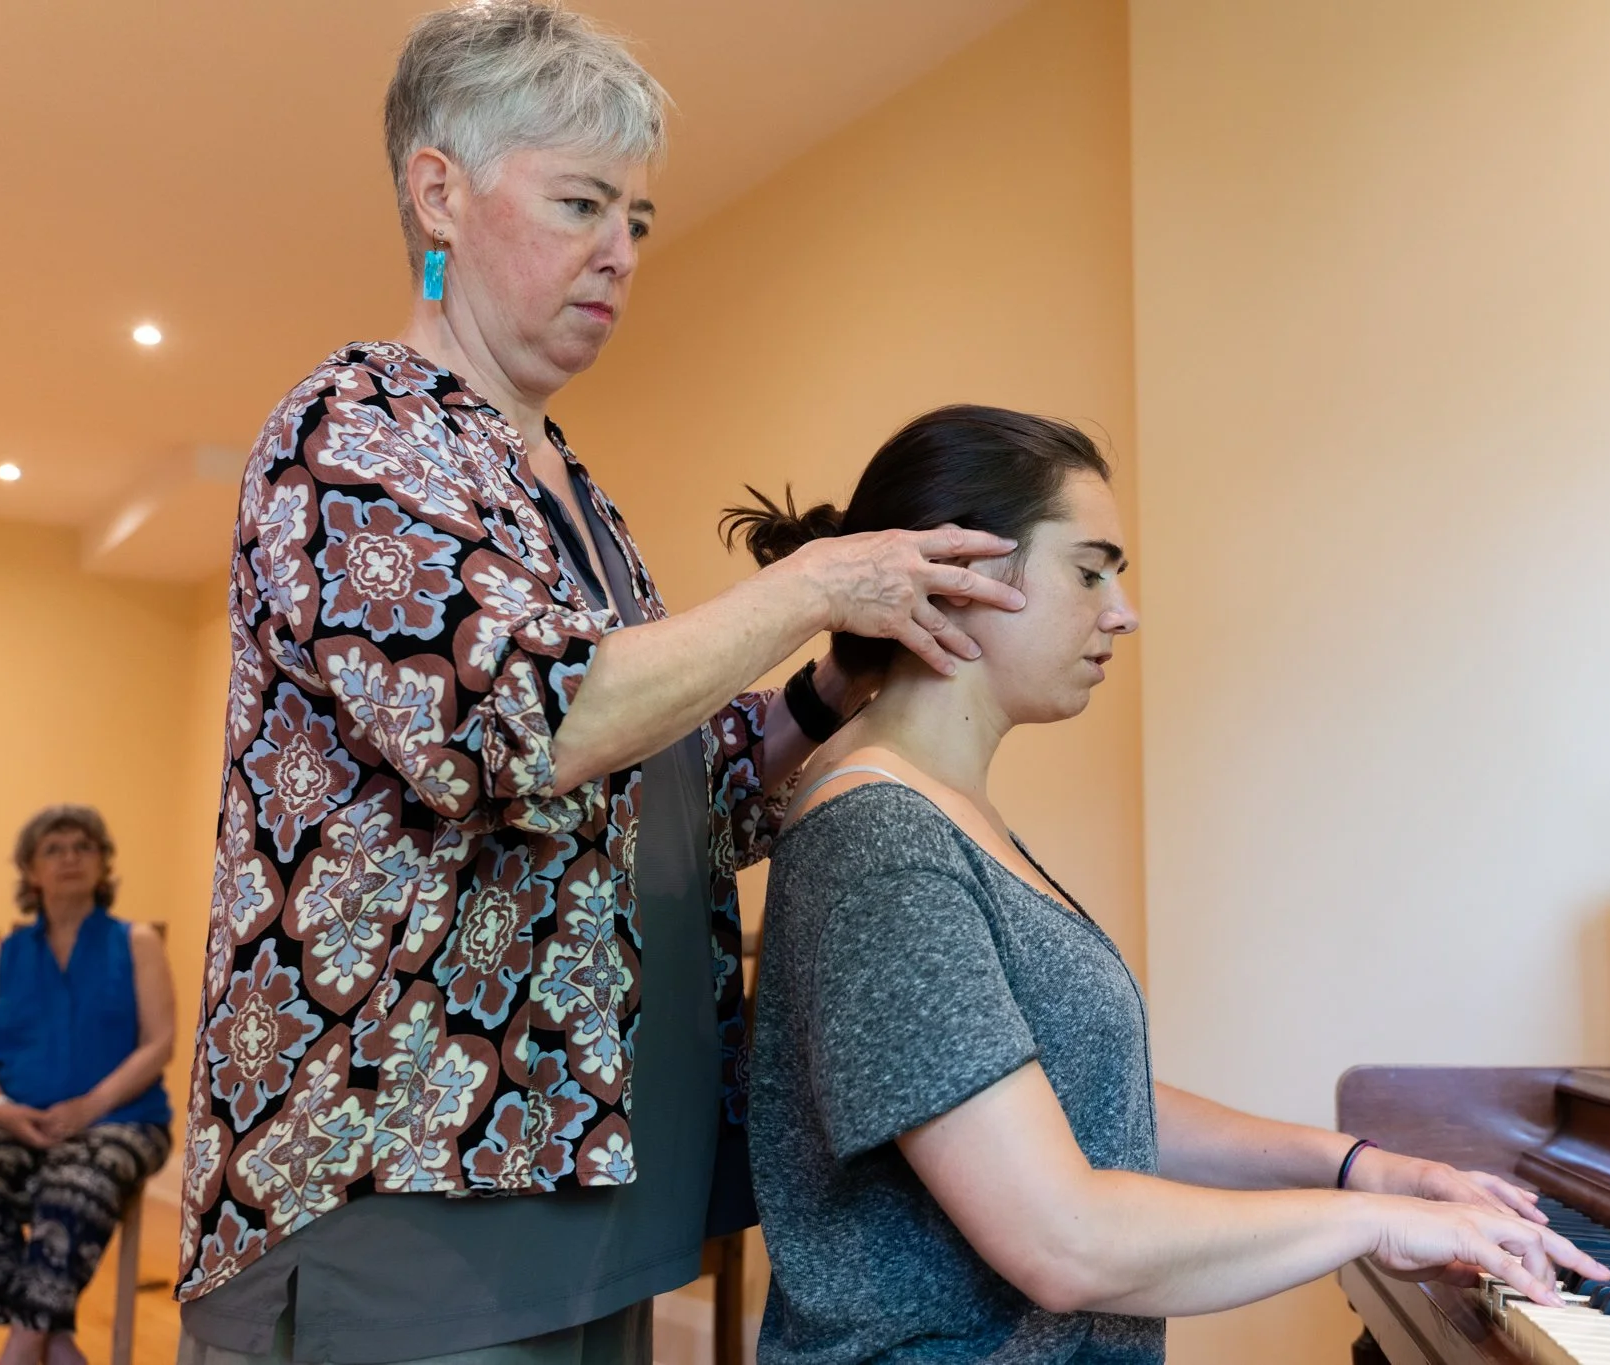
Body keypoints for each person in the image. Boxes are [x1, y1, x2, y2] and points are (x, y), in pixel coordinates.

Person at [174, 5, 1025, 1364]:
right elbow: (520, 729)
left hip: (592, 1188)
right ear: (438, 189)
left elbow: (668, 801)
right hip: (404, 1206)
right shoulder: (356, 430)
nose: (622, 253)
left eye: (638, 217)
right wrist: (811, 584)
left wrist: (825, 690)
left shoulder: (577, 499)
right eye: (581, 203)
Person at [735, 406, 1610, 1363]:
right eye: (1089, 569)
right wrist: (1374, 1225)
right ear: (967, 575)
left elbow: (1088, 1105)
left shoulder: (941, 816)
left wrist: (1362, 1168)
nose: (1122, 608)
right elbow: (1061, 1240)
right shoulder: (883, 841)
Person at [0, 806, 174, 1365]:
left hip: (119, 1118)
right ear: (30, 872)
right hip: (11, 1118)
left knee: (74, 1187)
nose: (69, 858)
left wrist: (90, 1107)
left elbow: (159, 1045)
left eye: (83, 846)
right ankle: (49, 1337)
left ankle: (20, 1348)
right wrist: (3, 1111)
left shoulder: (137, 944)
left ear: (104, 864)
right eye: (53, 849)